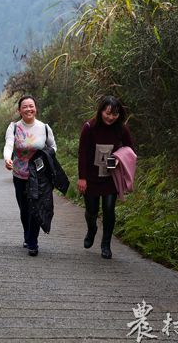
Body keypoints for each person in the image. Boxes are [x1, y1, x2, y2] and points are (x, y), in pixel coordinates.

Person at [77, 95, 134, 259]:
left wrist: (118, 160)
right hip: (91, 176)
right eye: (107, 113)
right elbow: (82, 154)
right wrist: (82, 178)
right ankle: (92, 229)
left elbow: (130, 149)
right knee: (91, 210)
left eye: (114, 114)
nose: (110, 117)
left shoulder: (121, 129)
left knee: (109, 209)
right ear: (101, 111)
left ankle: (106, 244)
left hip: (110, 176)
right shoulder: (89, 127)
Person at [3, 95, 57, 256]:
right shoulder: (14, 127)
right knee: (25, 209)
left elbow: (53, 146)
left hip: (39, 177)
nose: (28, 109)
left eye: (31, 106)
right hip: (20, 175)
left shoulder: (44, 127)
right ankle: (27, 235)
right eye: (25, 106)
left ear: (36, 108)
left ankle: (33, 242)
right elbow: (9, 145)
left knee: (35, 209)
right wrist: (7, 158)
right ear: (19, 110)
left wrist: (46, 155)